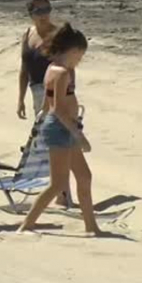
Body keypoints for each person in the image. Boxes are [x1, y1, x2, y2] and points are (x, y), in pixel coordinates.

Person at [17, 23, 102, 235]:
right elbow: (57, 110)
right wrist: (78, 135)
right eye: (79, 56)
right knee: (58, 184)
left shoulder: (56, 69)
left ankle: (91, 226)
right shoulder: (62, 72)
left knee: (84, 177)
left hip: (63, 127)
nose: (79, 61)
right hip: (61, 129)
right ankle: (27, 224)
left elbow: (48, 102)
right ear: (72, 51)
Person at [16, 0, 72, 207]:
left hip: (54, 90)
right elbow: (24, 68)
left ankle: (63, 193)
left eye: (47, 9)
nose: (44, 15)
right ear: (31, 13)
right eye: (39, 11)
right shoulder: (28, 34)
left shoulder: (57, 35)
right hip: (35, 91)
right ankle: (58, 190)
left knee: (56, 140)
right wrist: (20, 98)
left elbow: (68, 67)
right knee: (47, 141)